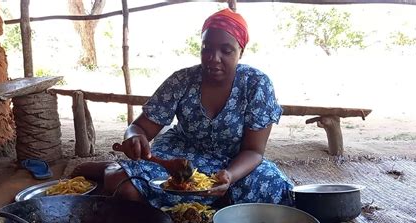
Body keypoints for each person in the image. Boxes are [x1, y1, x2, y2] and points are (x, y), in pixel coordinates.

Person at [71, 8, 293, 208]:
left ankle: (209, 198)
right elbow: (139, 127)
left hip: (235, 162)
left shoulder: (256, 84)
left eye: (226, 50)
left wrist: (229, 176)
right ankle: (110, 169)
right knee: (125, 187)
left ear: (240, 51)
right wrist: (134, 138)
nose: (213, 59)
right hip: (180, 154)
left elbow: (254, 151)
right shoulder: (182, 80)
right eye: (207, 48)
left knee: (276, 191)